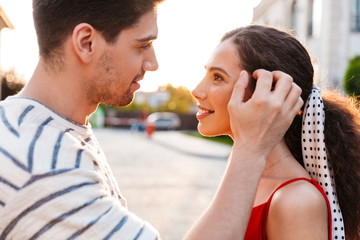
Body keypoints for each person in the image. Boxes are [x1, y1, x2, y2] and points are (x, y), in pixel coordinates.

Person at [0, 1, 303, 239]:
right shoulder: (41, 165)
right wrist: (250, 149)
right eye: (142, 45)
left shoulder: (48, 130)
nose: (153, 62)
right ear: (86, 42)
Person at [191, 25, 360, 240]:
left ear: (270, 92)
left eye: (217, 77)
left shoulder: (297, 200)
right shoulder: (248, 178)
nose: (196, 90)